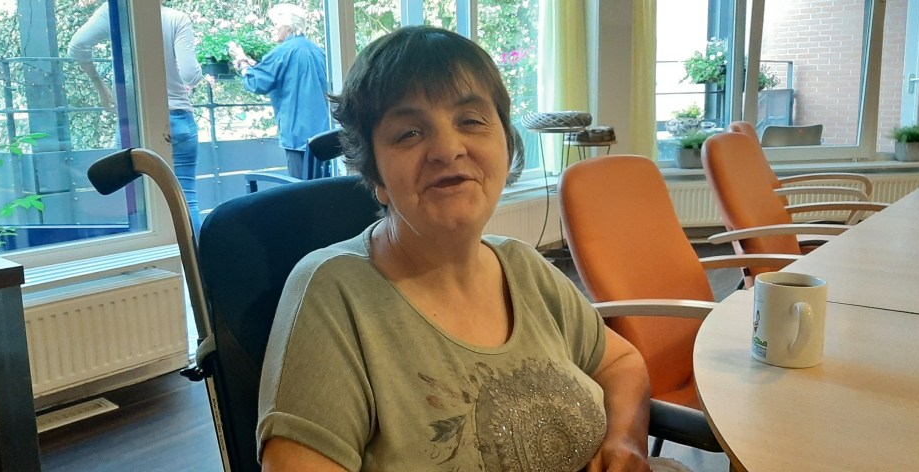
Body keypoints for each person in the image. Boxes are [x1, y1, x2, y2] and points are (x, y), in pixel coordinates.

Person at [257, 26, 653, 472]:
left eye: (471, 121)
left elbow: (621, 362)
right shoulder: (333, 293)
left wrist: (625, 441)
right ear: (375, 175)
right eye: (409, 133)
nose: (447, 149)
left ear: (505, 145)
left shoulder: (524, 266)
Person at [68, 2, 205, 234]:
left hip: (133, 121)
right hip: (177, 119)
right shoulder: (176, 18)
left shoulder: (114, 12)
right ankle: (195, 257)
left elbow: (78, 46)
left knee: (140, 205)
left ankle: (151, 253)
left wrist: (101, 87)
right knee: (186, 199)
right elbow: (190, 74)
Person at [228, 3, 330, 179]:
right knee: (323, 185)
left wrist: (242, 63)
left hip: (297, 136)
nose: (273, 29)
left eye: (276, 24)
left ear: (288, 27)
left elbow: (257, 82)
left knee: (301, 189)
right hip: (325, 134)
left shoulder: (283, 52)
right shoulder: (320, 52)